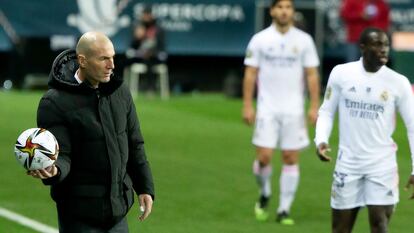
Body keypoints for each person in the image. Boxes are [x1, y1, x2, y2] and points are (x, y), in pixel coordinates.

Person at [28, 31, 155, 233]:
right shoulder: (54, 102)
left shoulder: (120, 91)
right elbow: (62, 154)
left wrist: (145, 187)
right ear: (82, 61)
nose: (111, 65)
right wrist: (53, 170)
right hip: (79, 215)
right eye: (104, 58)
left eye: (112, 57)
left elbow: (134, 143)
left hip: (118, 213)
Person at [315, 27, 414, 233]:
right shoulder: (341, 73)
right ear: (362, 47)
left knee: (379, 224)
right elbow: (326, 111)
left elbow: (412, 125)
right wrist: (321, 139)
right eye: (377, 44)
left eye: (386, 45)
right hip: (347, 164)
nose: (383, 49)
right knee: (340, 229)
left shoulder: (399, 83)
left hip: (382, 165)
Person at [242, 0, 320, 225]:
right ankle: (265, 192)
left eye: (288, 7)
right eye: (280, 7)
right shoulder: (260, 39)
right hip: (267, 108)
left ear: (293, 12)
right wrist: (248, 105)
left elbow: (312, 75)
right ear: (272, 11)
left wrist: (314, 106)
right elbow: (250, 73)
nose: (284, 11)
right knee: (264, 158)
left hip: (294, 109)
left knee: (290, 157)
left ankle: (284, 209)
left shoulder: (304, 41)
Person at [126, 5, 166, 94]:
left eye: (148, 14)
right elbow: (132, 47)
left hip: (153, 56)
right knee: (125, 60)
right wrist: (137, 38)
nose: (146, 17)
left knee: (149, 58)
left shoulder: (158, 28)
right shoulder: (138, 27)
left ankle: (150, 88)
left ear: (152, 15)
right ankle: (123, 88)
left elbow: (161, 47)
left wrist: (152, 52)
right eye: (145, 14)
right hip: (139, 56)